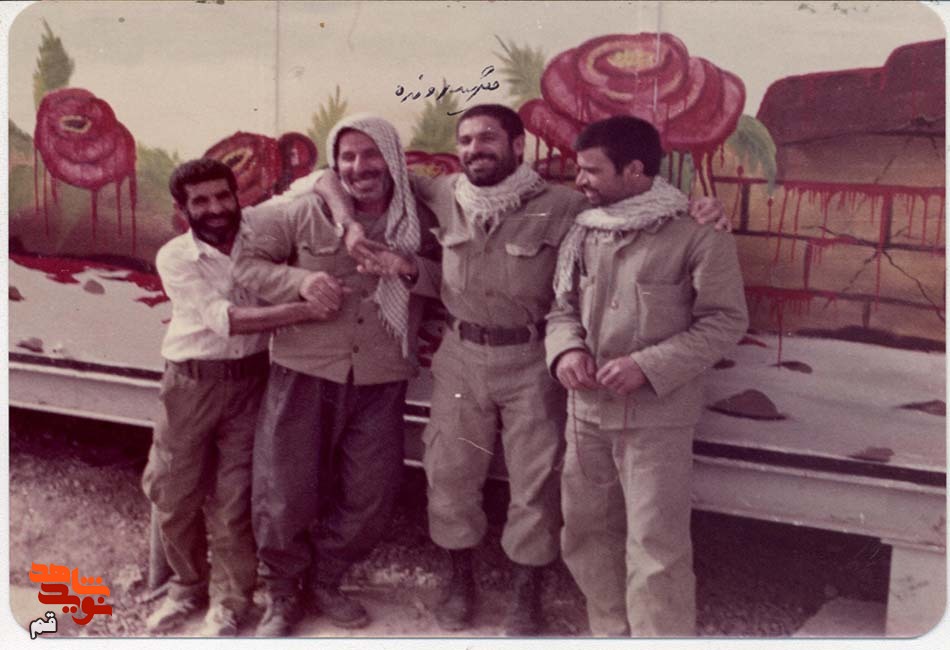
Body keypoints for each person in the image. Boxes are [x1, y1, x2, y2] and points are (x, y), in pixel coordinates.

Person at [328, 104, 728, 636]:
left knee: (535, 483)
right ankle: (459, 582)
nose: (474, 150)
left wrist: (702, 206)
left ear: (518, 146)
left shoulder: (568, 205)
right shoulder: (443, 192)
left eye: (487, 138)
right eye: (465, 140)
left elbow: (634, 214)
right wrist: (351, 223)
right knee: (449, 473)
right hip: (461, 358)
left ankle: (525, 593)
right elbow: (335, 177)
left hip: (532, 362)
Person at [232, 115, 439, 636]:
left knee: (371, 494)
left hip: (381, 377)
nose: (358, 167)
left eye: (371, 154)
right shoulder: (306, 210)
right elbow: (246, 263)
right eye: (347, 156)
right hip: (304, 370)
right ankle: (282, 593)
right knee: (284, 489)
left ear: (392, 159)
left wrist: (408, 267)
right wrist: (299, 283)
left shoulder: (420, 221)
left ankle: (326, 579)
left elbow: (451, 280)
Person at [546, 116, 749, 636]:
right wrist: (567, 351)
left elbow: (726, 322)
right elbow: (561, 308)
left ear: (634, 170)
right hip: (586, 413)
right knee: (586, 533)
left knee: (655, 546)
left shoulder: (697, 234)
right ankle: (610, 632)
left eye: (592, 170)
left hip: (656, 421)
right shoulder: (585, 230)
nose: (580, 180)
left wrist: (647, 366)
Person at [142, 158, 331, 636]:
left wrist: (346, 222)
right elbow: (224, 319)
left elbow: (318, 179)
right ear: (182, 209)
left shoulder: (262, 230)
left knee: (235, 501)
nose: (216, 208)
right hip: (190, 385)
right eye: (201, 201)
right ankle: (185, 587)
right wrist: (304, 310)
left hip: (252, 383)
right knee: (173, 492)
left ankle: (229, 604)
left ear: (237, 195)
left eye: (223, 196)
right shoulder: (175, 257)